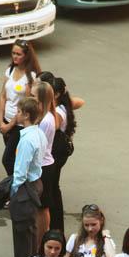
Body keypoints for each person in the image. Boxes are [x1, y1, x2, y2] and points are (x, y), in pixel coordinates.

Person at [0, 97, 45, 257]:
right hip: (36, 182)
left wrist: (13, 192)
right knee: (30, 228)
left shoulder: (26, 140)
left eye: (18, 112)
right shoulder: (38, 133)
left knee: (21, 230)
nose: (16, 114)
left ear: (26, 115)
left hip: (26, 186)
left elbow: (20, 170)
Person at [0, 39, 40, 176]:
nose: (15, 56)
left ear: (26, 56)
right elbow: (3, 96)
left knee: (8, 159)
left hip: (19, 125)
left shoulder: (30, 76)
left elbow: (26, 105)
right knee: (13, 158)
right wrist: (0, 121)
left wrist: (9, 125)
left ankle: (16, 183)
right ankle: (16, 183)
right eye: (13, 53)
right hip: (6, 121)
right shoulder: (10, 70)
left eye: (18, 54)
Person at [49, 77, 80, 233]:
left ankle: (56, 226)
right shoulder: (63, 106)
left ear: (57, 94)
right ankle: (56, 226)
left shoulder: (58, 111)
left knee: (53, 188)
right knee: (54, 187)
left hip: (56, 151)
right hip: (60, 150)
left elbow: (53, 126)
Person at [32, 81, 57, 242]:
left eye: (33, 96)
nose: (31, 98)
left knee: (42, 207)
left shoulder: (46, 120)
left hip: (44, 167)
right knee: (39, 207)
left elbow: (38, 146)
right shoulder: (42, 117)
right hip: (41, 165)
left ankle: (41, 240)